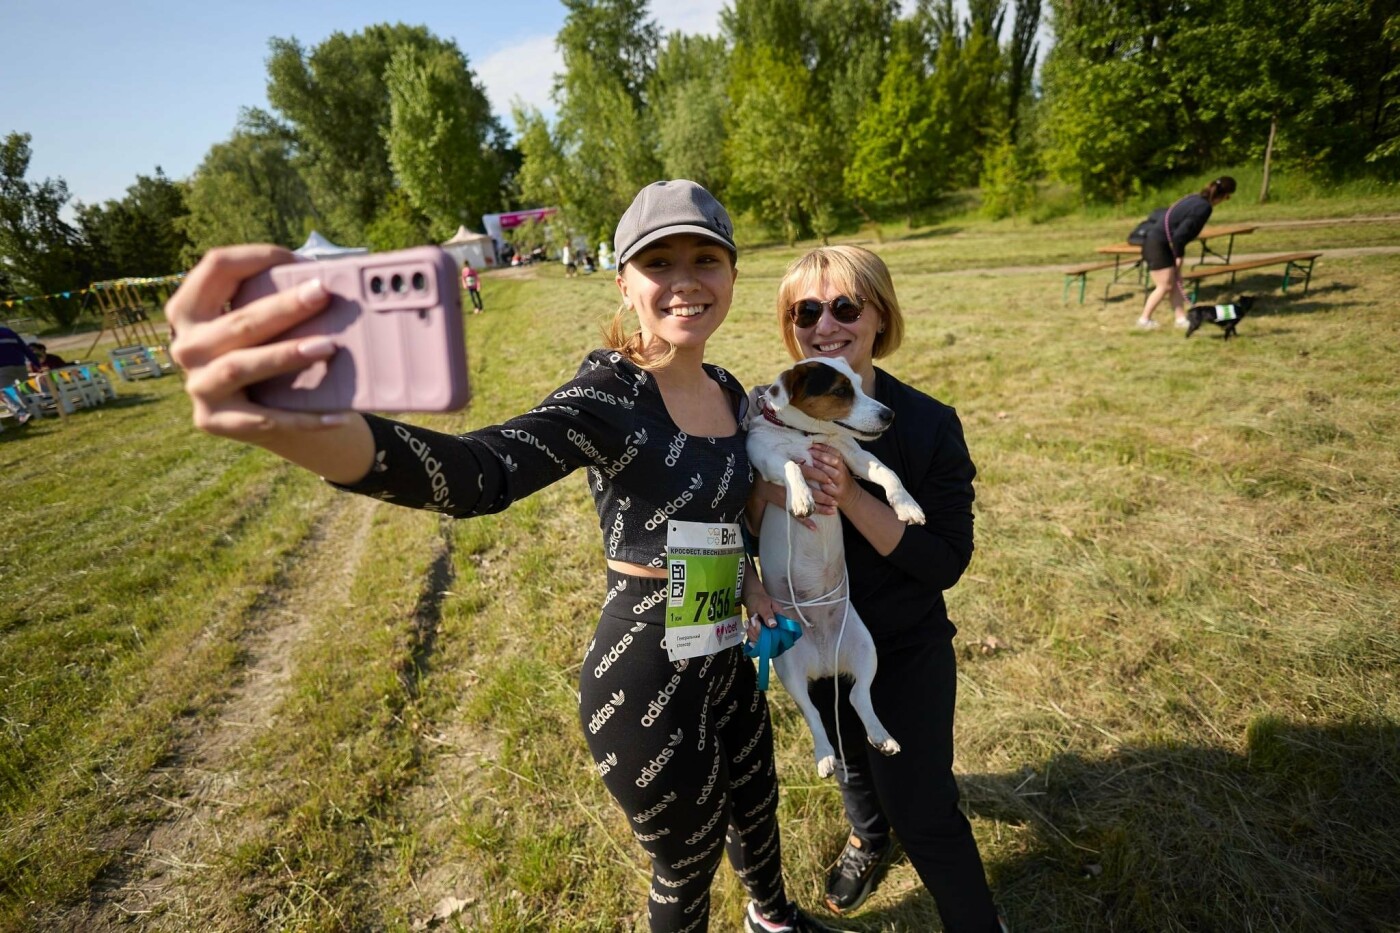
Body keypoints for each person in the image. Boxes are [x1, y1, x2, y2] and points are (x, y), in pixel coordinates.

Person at [165, 179, 835, 933]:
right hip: (646, 675)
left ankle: (773, 920)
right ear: (623, 281)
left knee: (756, 800)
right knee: (687, 861)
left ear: (733, 274)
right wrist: (303, 426)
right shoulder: (608, 397)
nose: (685, 280)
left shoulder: (726, 386)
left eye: (705, 258)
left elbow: (725, 509)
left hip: (724, 648)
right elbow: (477, 473)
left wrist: (750, 572)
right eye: (659, 262)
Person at [756, 245, 1005, 931]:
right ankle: (868, 835)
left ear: (880, 316)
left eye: (845, 306)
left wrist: (854, 498)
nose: (825, 323)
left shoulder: (925, 423)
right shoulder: (781, 409)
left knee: (923, 808)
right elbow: (744, 519)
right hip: (807, 629)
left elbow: (946, 560)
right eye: (806, 310)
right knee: (851, 763)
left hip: (901, 639)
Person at [1137, 176, 1237, 330]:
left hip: (1161, 242)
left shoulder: (1194, 198)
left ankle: (1181, 319)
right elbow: (1180, 235)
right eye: (1228, 198)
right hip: (1157, 244)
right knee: (1164, 285)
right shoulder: (1204, 208)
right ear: (1224, 196)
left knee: (1176, 283)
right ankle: (1144, 320)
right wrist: (1179, 256)